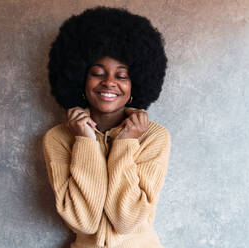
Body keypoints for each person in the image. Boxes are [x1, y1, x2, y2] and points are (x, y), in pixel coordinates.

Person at [42, 6, 171, 248]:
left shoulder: (154, 137)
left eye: (121, 76)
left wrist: (125, 142)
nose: (109, 82)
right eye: (98, 73)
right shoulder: (58, 138)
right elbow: (85, 222)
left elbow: (126, 221)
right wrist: (85, 141)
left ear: (136, 84)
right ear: (80, 78)